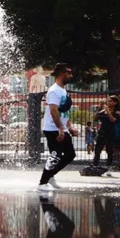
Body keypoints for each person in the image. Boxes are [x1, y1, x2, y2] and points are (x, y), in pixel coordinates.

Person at [39, 63, 77, 191]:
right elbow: (54, 111)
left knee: (70, 154)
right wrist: (60, 128)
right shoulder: (54, 90)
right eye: (69, 73)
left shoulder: (62, 90)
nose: (71, 76)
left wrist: (69, 127)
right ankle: (42, 183)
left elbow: (63, 112)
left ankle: (50, 175)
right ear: (62, 74)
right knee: (55, 155)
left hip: (61, 128)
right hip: (52, 129)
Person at [94, 96, 120, 167]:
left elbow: (113, 120)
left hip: (111, 133)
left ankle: (108, 166)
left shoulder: (117, 112)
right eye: (108, 101)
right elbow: (95, 118)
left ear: (115, 103)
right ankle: (95, 165)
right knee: (97, 150)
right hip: (102, 132)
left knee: (109, 150)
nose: (108, 102)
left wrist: (108, 111)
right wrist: (99, 108)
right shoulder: (103, 111)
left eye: (110, 101)